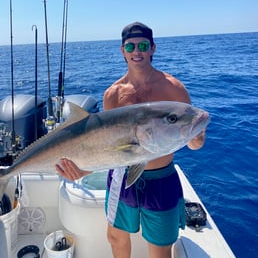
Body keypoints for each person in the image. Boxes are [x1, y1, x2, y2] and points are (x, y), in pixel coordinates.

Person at [56, 22, 206, 258]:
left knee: (159, 246)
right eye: (131, 46)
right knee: (116, 238)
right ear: (123, 50)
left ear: (153, 48)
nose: (137, 51)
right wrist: (82, 170)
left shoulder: (174, 89)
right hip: (121, 178)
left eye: (143, 45)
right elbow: (109, 148)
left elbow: (194, 143)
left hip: (161, 179)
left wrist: (197, 138)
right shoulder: (113, 94)